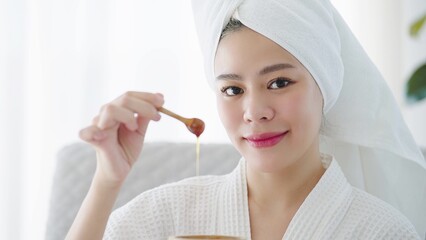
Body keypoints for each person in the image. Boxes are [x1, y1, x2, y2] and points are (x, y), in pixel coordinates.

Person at [66, 0, 426, 239]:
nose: (255, 111)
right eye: (233, 90)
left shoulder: (381, 231)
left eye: (279, 83)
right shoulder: (164, 217)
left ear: (326, 85)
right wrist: (106, 182)